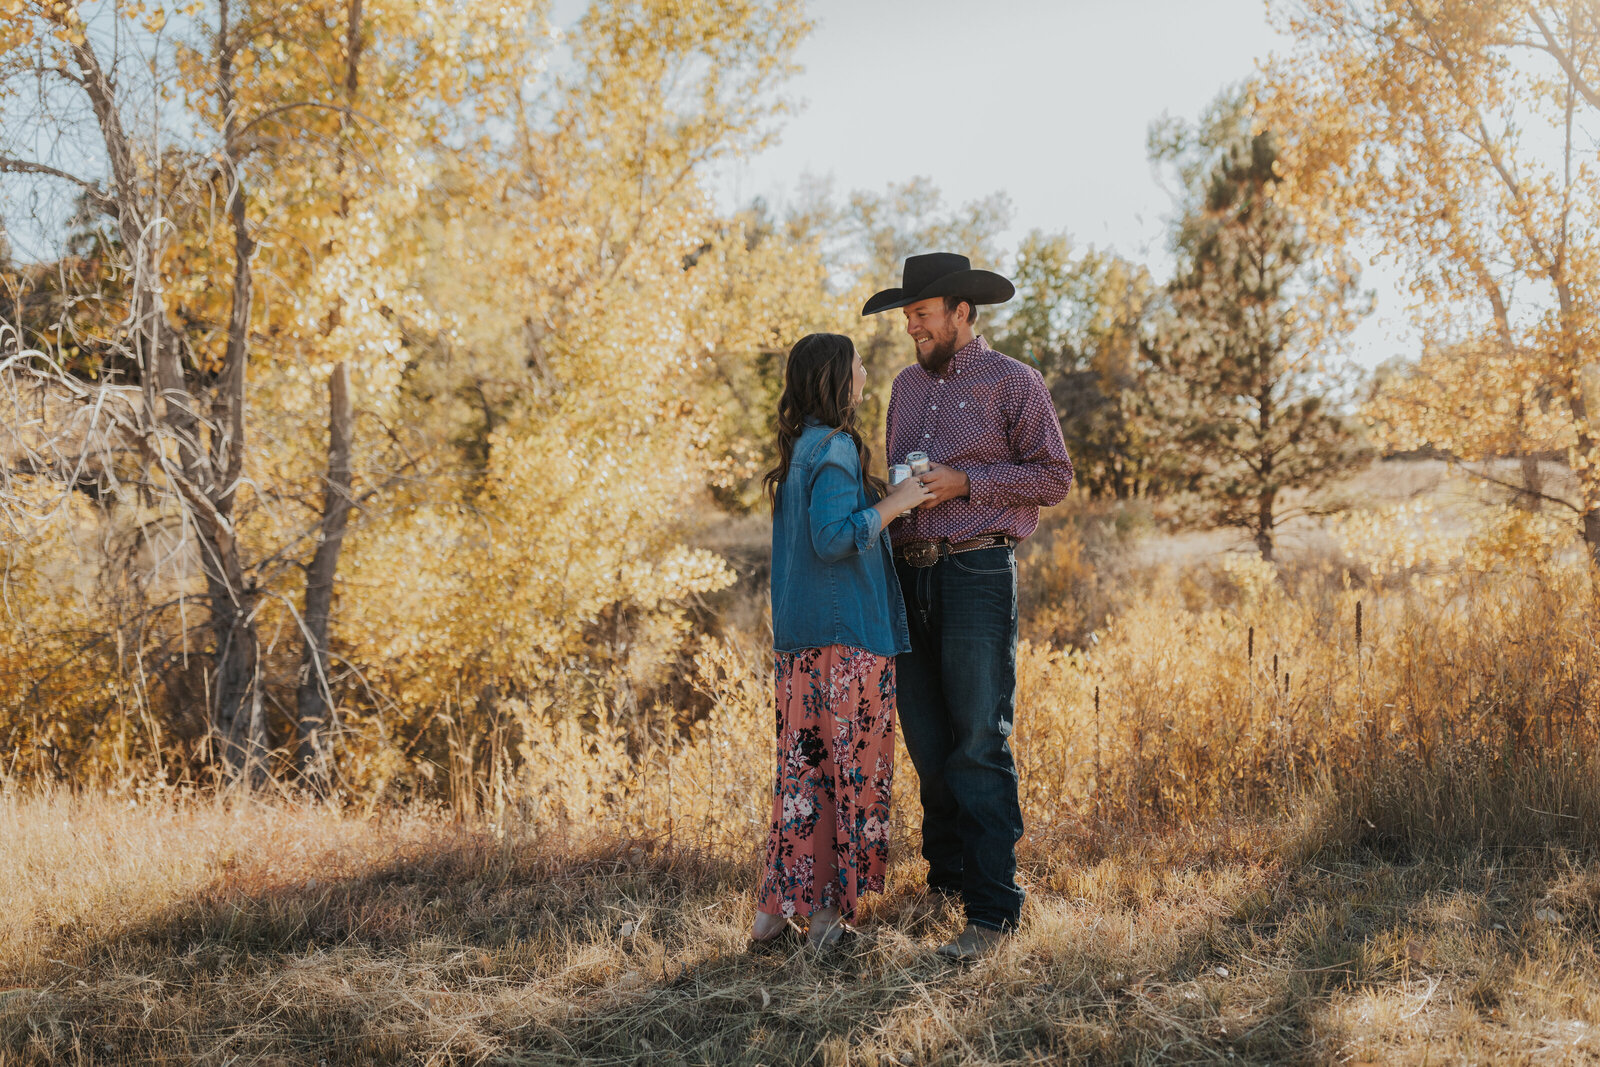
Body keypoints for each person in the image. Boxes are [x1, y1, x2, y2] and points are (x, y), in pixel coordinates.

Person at [863, 253, 1074, 960]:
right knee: (927, 740)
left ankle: (991, 912)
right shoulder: (902, 385)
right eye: (908, 316)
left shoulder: (1015, 381)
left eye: (922, 313)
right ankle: (946, 884)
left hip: (979, 567)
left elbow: (1054, 477)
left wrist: (966, 482)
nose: (912, 326)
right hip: (908, 574)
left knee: (979, 740)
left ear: (962, 312)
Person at [750, 332, 934, 951]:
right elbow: (833, 539)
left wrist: (879, 498)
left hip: (803, 644)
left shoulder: (802, 448)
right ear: (836, 377)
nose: (864, 374)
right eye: (857, 365)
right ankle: (827, 922)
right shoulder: (834, 448)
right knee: (850, 774)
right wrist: (901, 500)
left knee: (804, 778)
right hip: (847, 644)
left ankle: (774, 917)